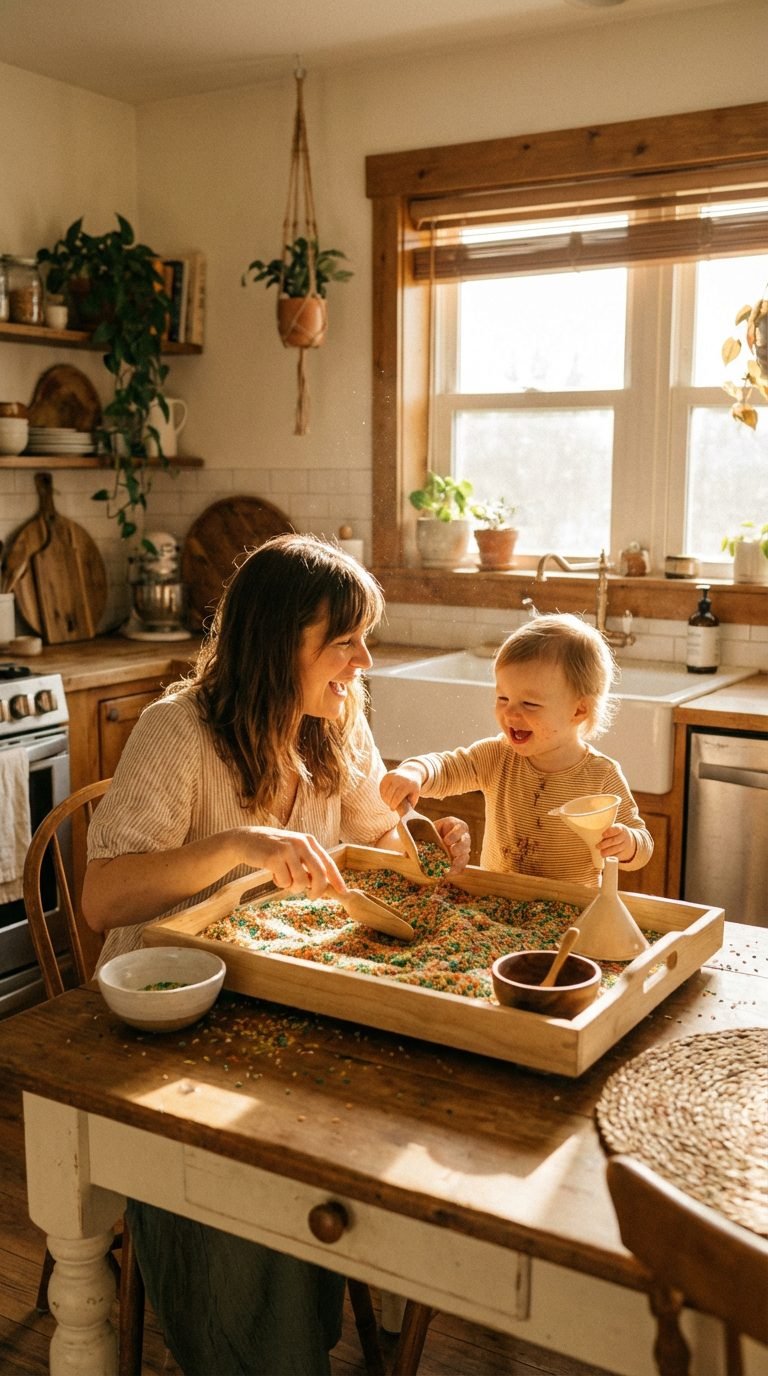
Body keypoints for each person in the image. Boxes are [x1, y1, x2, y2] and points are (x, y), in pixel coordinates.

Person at [81, 533, 469, 1376]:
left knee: (386, 1114)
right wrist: (236, 844)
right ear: (276, 641)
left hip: (283, 990)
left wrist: (431, 844)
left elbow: (374, 829)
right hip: (171, 1007)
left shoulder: (335, 723)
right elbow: (104, 898)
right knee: (269, 1154)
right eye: (345, 641)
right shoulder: (176, 731)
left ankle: (316, 1295)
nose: (364, 660)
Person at [380, 612, 653, 887]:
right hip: (498, 899)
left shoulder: (601, 775)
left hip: (569, 911)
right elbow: (450, 766)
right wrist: (416, 771)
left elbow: (642, 841)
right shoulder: (498, 755)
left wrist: (628, 844)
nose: (510, 713)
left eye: (530, 704)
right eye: (503, 698)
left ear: (579, 709)